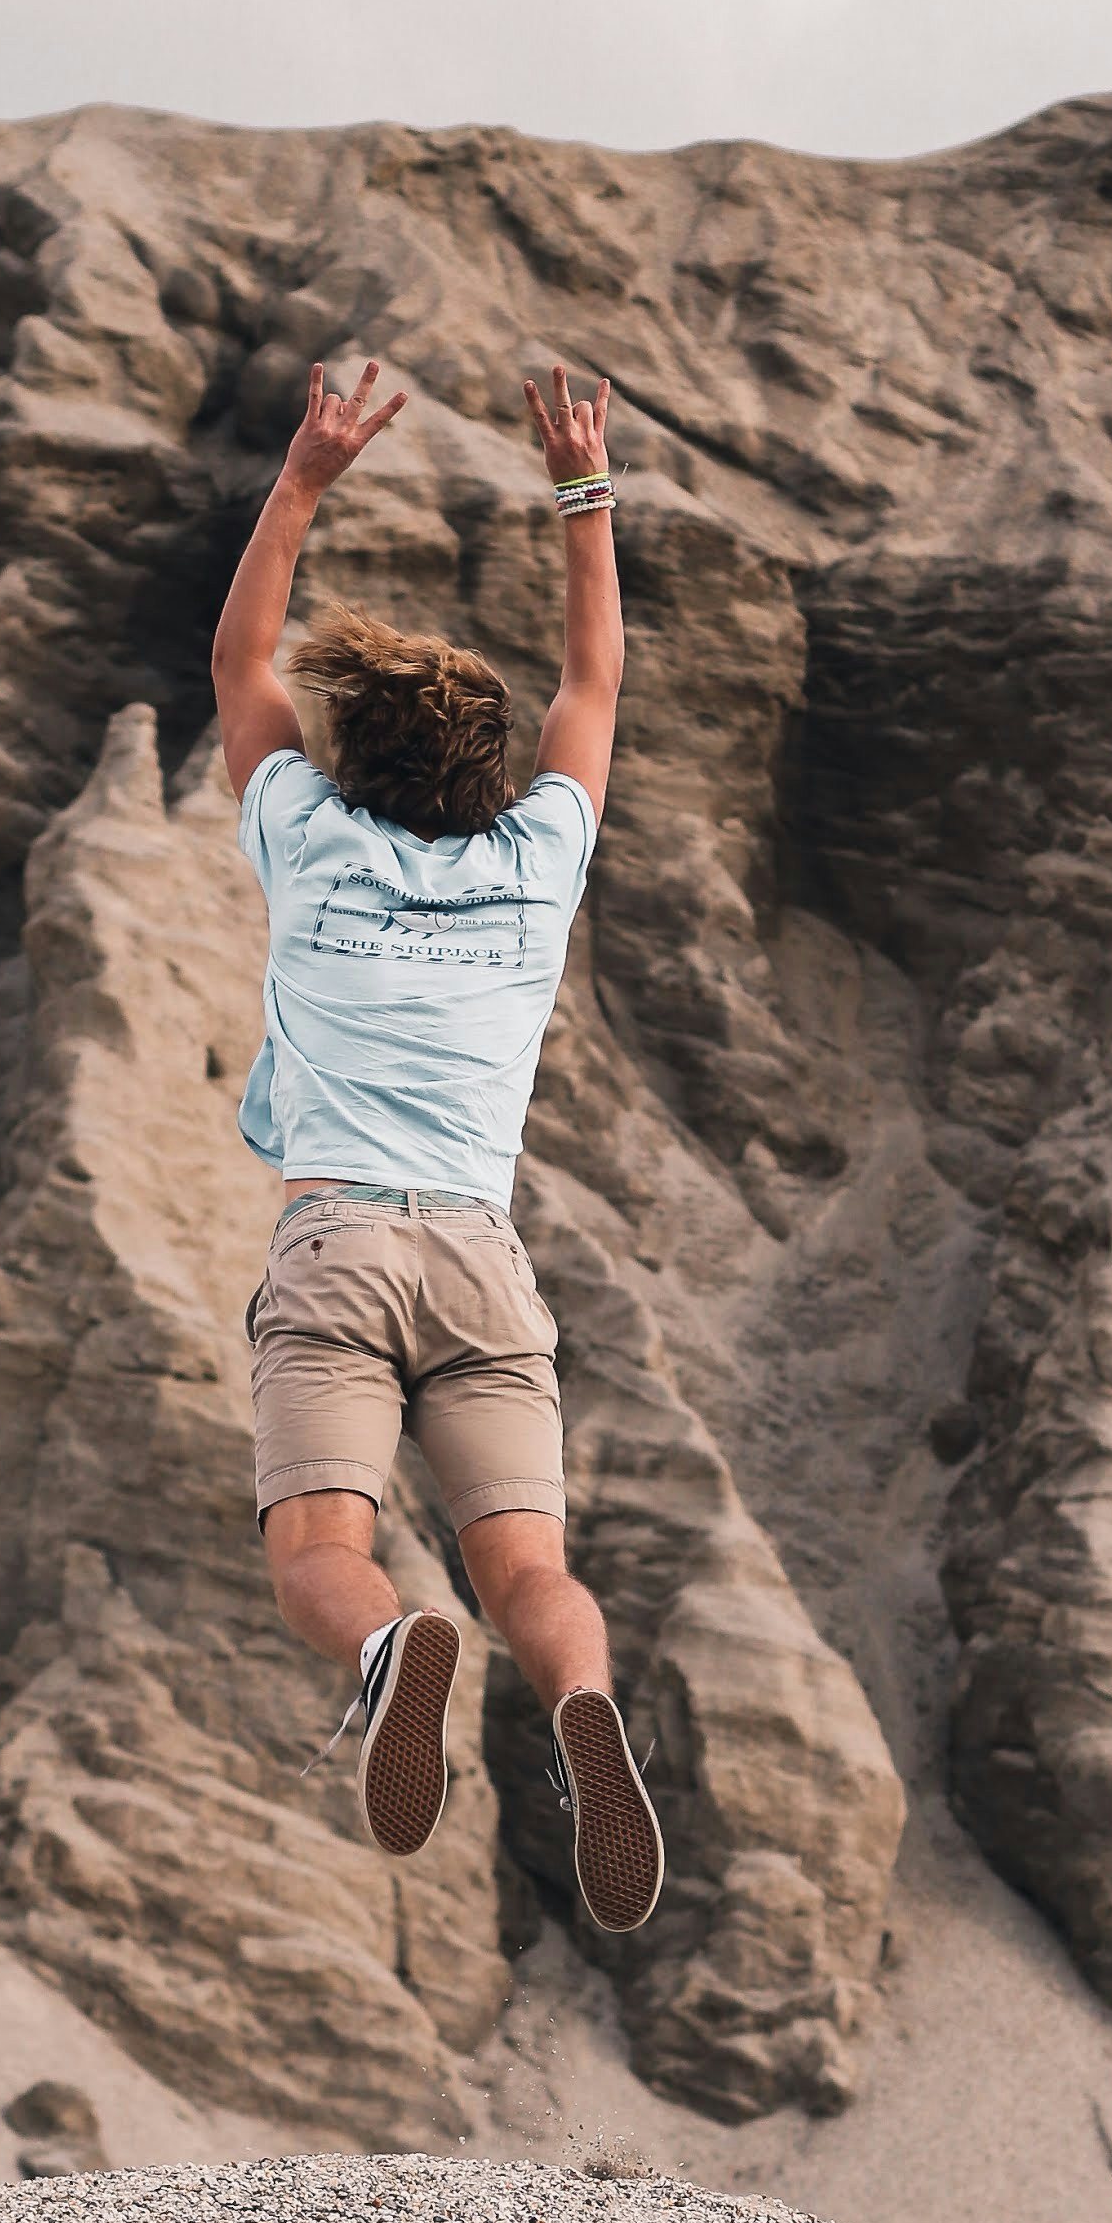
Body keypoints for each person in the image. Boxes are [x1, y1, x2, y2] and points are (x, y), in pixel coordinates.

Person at [211, 355, 665, 1936]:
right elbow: (593, 688)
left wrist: (306, 475)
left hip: (335, 1241)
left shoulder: (306, 836)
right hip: (482, 1257)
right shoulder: (538, 867)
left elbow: (241, 654)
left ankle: (389, 1649)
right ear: (493, 779)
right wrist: (580, 485)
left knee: (321, 1556)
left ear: (358, 764)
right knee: (529, 1571)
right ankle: (580, 1706)